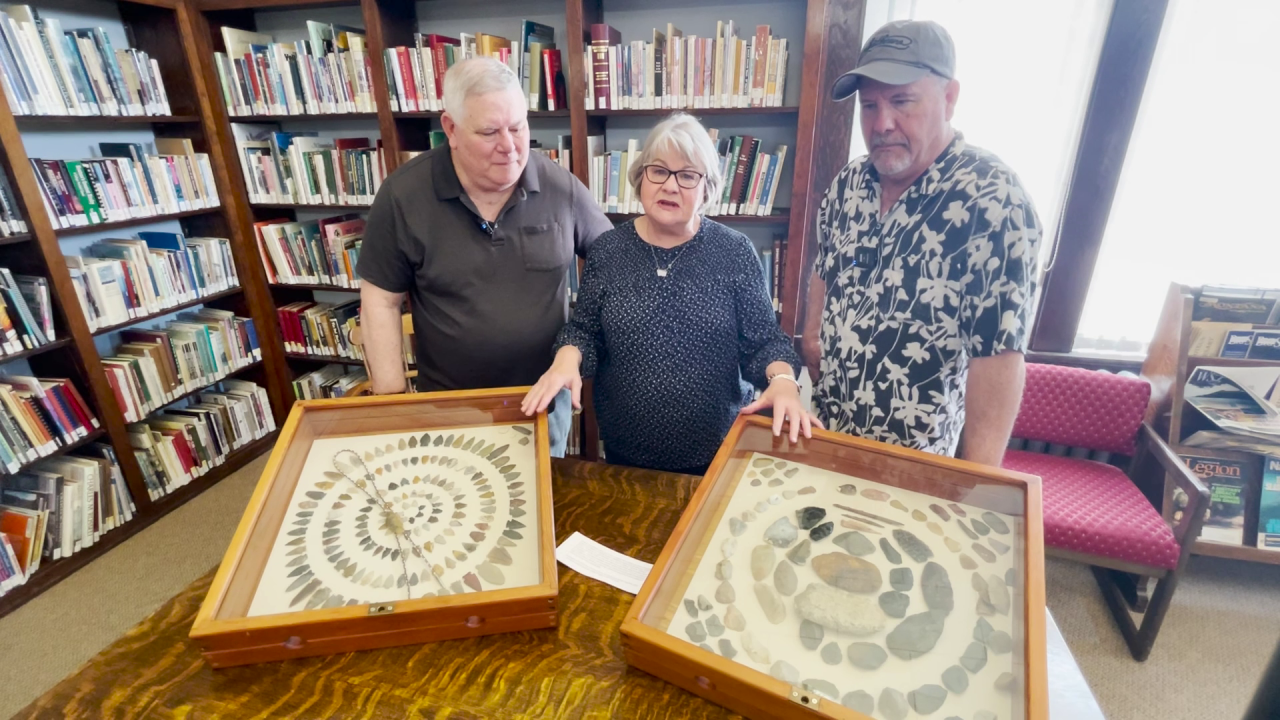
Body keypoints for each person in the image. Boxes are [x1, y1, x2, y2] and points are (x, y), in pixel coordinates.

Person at [521, 113, 820, 474]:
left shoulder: (734, 252)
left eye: (688, 175)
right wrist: (567, 358)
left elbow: (764, 343)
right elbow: (585, 332)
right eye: (659, 170)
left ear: (707, 188)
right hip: (624, 456)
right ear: (640, 177)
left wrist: (784, 382)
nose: (670, 186)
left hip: (716, 455)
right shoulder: (609, 251)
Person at [802, 20, 1042, 466]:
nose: (882, 123)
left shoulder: (993, 199)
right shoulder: (849, 183)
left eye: (901, 101)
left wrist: (977, 479)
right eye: (869, 106)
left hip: (918, 460)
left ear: (949, 98)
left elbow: (999, 353)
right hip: (830, 435)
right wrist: (812, 334)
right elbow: (824, 264)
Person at [357, 57, 612, 457]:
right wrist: (393, 403)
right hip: (448, 407)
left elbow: (615, 269)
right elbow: (380, 299)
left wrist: (577, 347)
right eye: (490, 132)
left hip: (542, 402)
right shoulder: (402, 195)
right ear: (451, 129)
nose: (509, 147)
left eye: (517, 127)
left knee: (542, 507)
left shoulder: (561, 187)